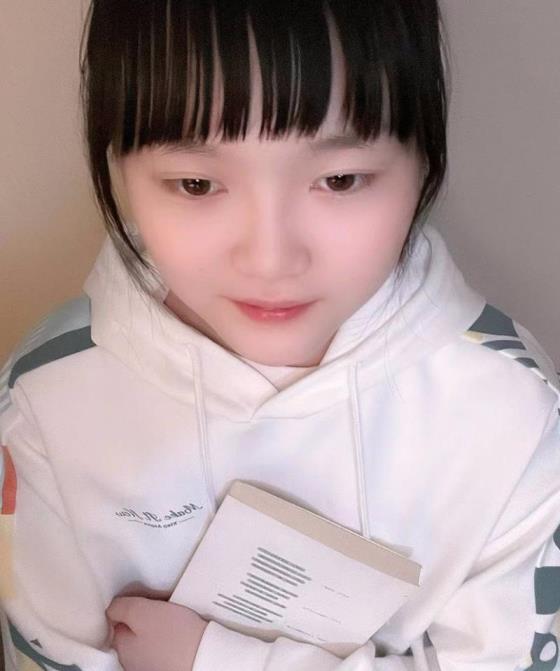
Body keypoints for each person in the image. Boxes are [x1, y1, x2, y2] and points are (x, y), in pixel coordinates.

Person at [0, 1, 559, 669]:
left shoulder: (512, 407)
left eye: (340, 180)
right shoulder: (45, 402)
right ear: (120, 166)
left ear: (423, 162)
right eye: (197, 183)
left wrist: (214, 660)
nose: (270, 260)